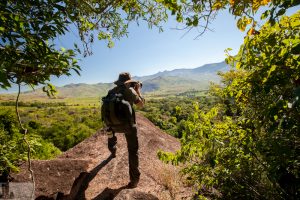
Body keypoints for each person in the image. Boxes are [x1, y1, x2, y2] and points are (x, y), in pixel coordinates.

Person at [107, 72, 145, 188]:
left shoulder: (111, 91)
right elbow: (141, 105)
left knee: (110, 132)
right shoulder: (130, 91)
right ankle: (134, 181)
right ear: (128, 82)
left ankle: (113, 151)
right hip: (127, 126)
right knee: (133, 151)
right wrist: (138, 90)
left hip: (111, 125)